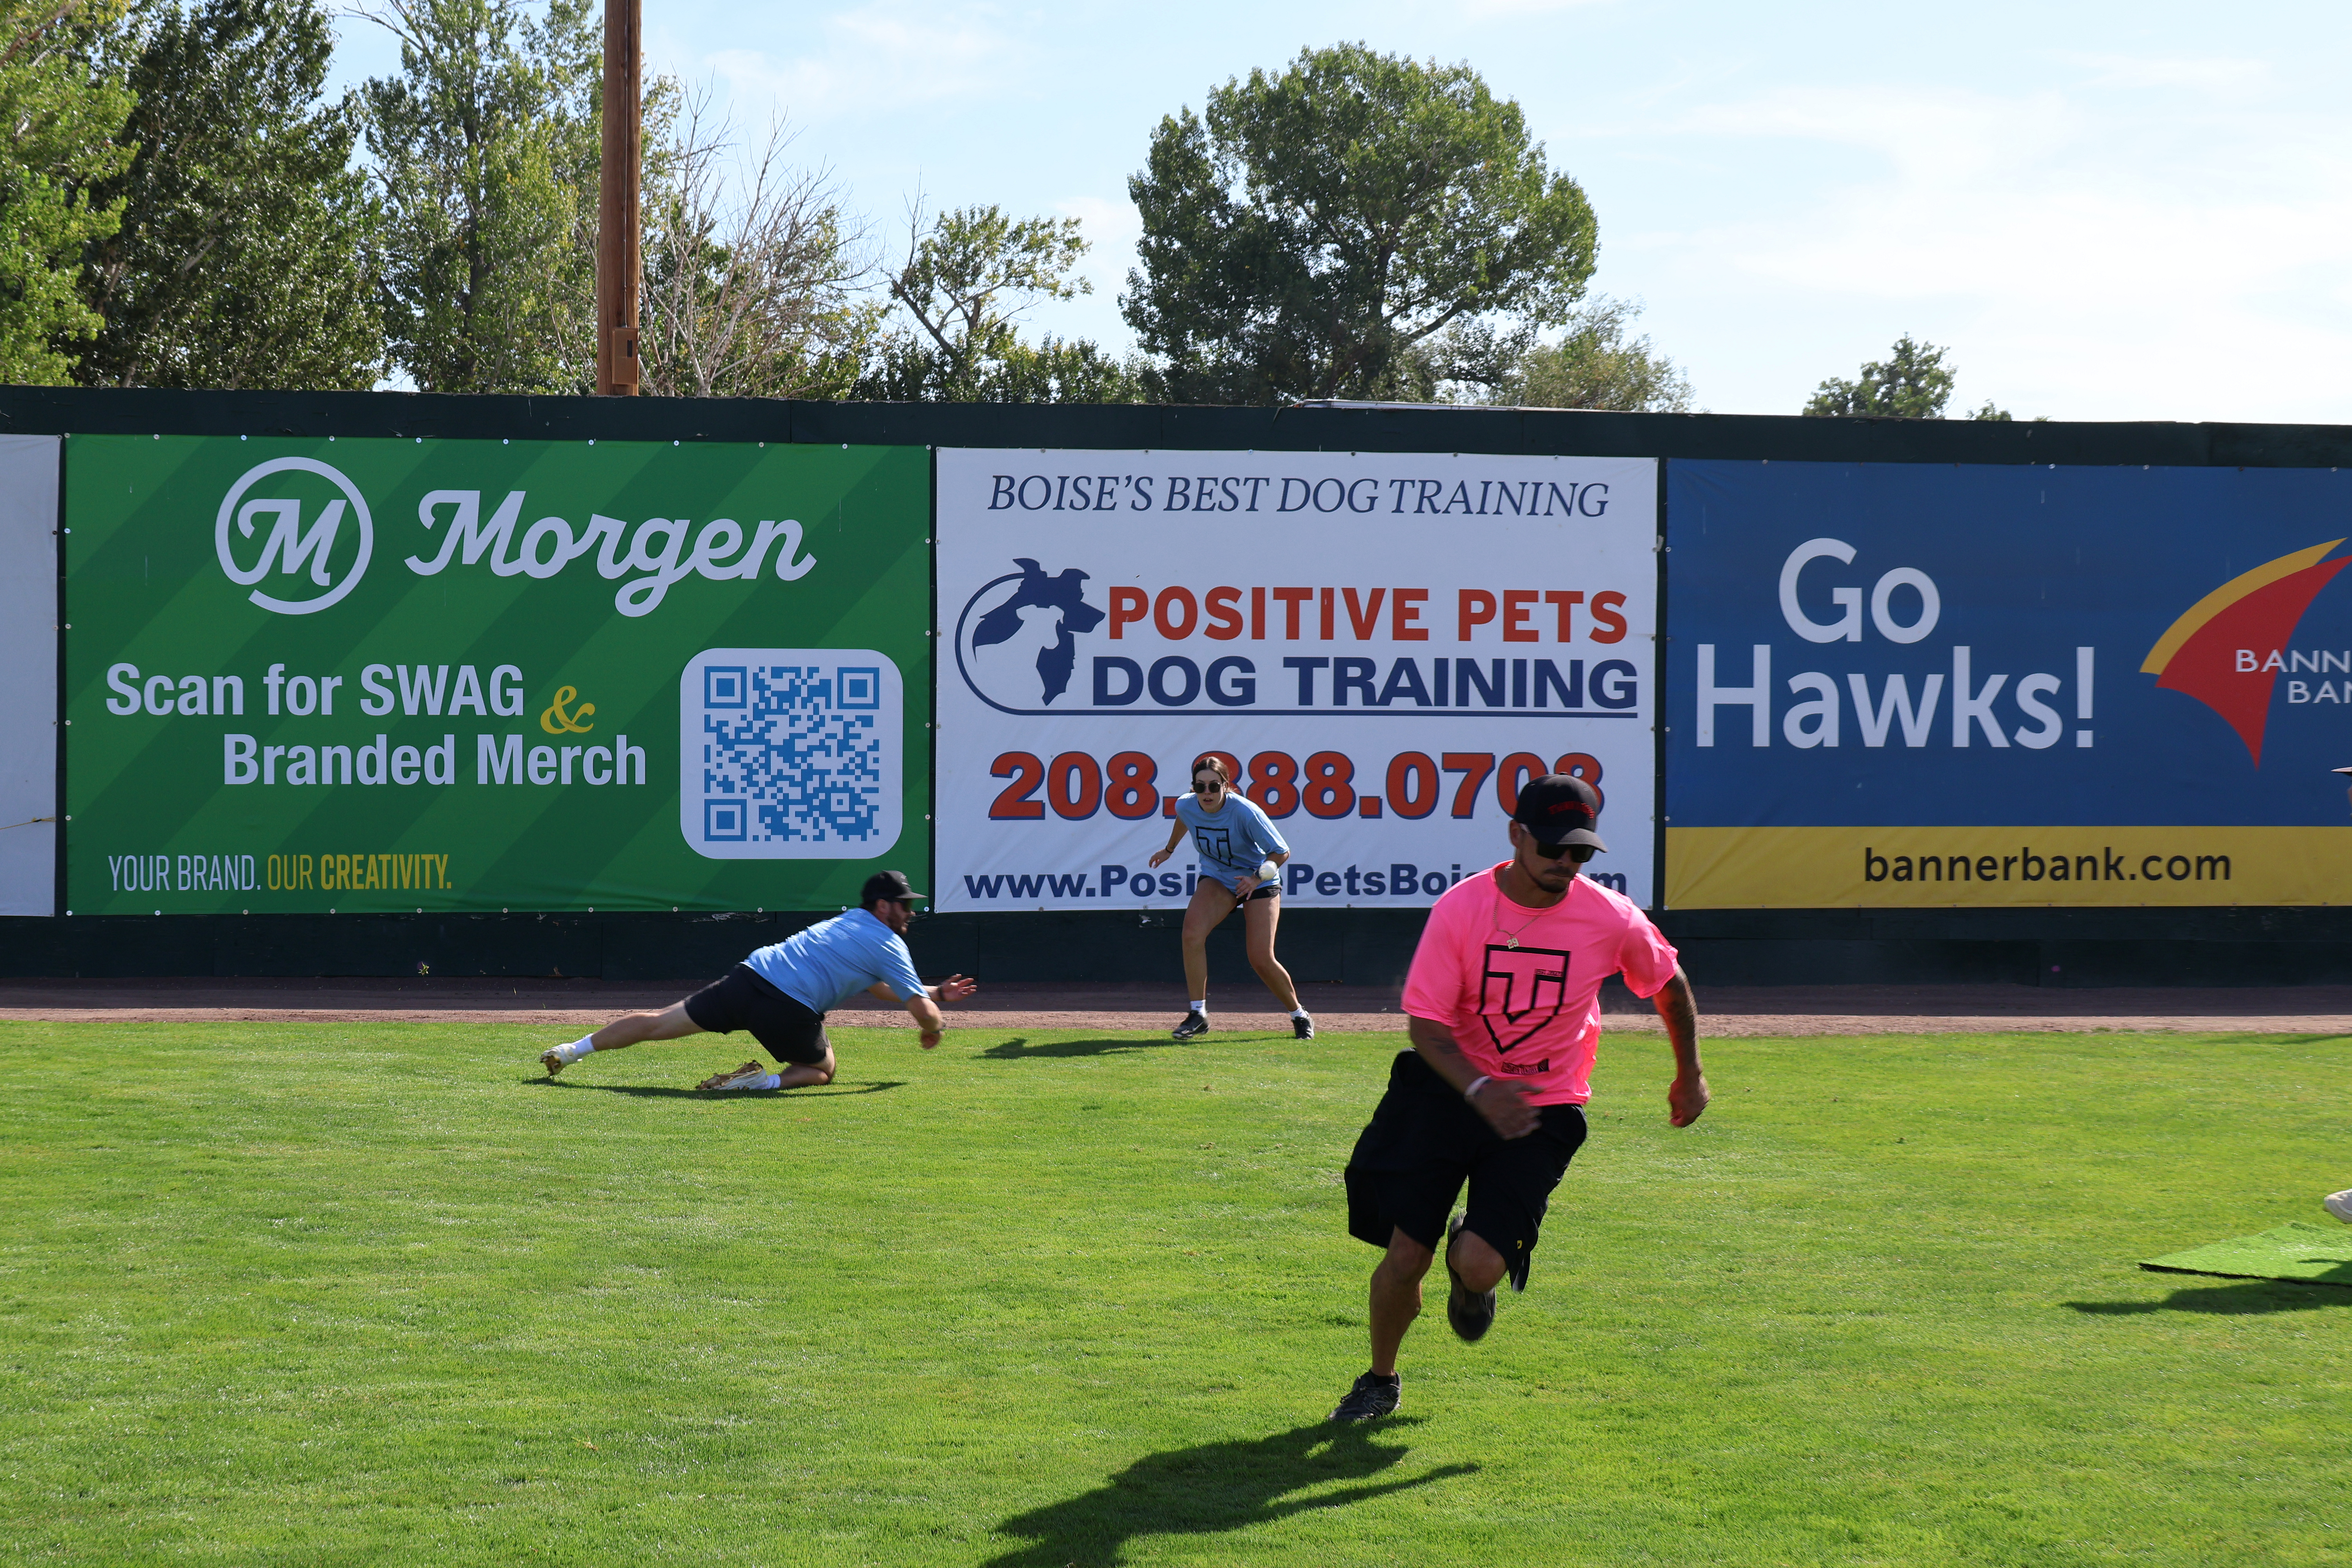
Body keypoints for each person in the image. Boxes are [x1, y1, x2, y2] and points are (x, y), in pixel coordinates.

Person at [1327, 775, 1706, 1423]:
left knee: (1476, 1265)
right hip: (1448, 1088)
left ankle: (1470, 1281)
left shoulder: (1609, 918)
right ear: (1517, 836)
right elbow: (1426, 1024)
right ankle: (1379, 1380)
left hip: (1545, 1103)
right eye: (1554, 847)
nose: (1566, 863)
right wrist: (1480, 1087)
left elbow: (1668, 983)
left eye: (1580, 853)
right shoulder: (1463, 908)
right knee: (1405, 1256)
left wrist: (1689, 1072)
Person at [537, 871, 978, 1089]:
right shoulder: (887, 942)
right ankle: (758, 1082)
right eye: (903, 904)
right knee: (823, 1069)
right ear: (883, 907)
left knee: (657, 1023)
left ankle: (571, 1050)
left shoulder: (848, 922)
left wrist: (935, 993)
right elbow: (921, 1012)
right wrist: (934, 1026)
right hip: (789, 1008)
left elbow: (882, 987)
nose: (910, 912)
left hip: (750, 977)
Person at [1147, 753, 1312, 1042]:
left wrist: (1256, 878)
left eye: (1213, 786)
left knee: (1261, 958)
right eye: (1200, 787)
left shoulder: (1246, 812)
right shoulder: (1187, 804)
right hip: (1219, 878)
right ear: (1193, 788)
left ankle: (1299, 1014)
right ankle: (1198, 1014)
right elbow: (1185, 818)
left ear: (1226, 785)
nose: (1207, 793)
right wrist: (1169, 850)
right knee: (1191, 934)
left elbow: (1281, 851)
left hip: (1258, 881)